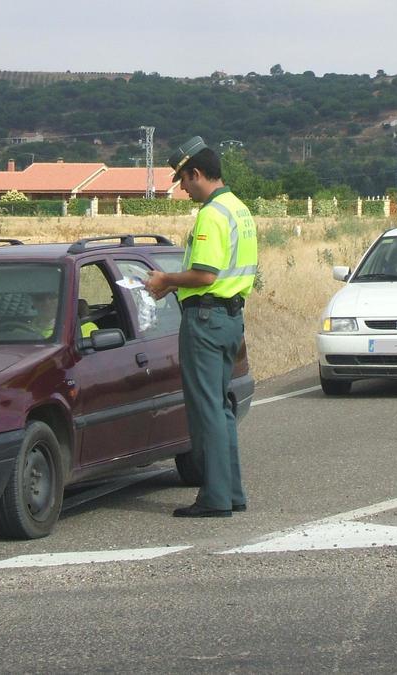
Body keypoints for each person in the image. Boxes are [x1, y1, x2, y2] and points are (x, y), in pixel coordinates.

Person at [145, 136, 258, 518]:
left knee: (206, 410)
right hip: (231, 319)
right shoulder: (239, 209)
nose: (184, 190)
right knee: (221, 409)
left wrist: (166, 281)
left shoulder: (212, 214)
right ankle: (232, 493)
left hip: (207, 321)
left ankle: (214, 498)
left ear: (197, 174)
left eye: (184, 181)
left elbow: (206, 274)